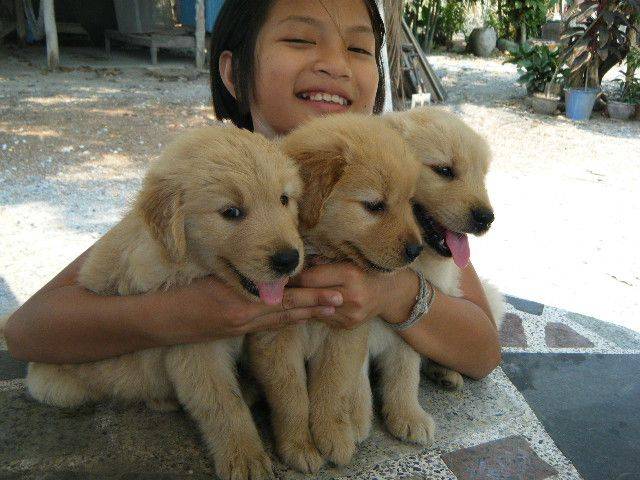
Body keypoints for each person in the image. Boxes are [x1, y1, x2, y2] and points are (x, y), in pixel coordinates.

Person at [4, 0, 500, 380]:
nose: (337, 65)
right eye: (300, 39)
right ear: (233, 73)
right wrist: (180, 314)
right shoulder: (208, 190)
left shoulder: (402, 203)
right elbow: (28, 331)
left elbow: (482, 351)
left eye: (358, 49)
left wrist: (394, 291)